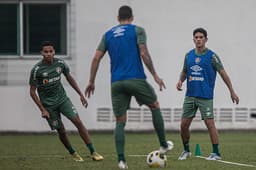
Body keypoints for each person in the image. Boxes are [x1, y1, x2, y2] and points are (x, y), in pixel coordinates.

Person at [85, 5, 172, 169]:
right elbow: (144, 53)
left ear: (118, 18)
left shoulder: (108, 35)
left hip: (116, 82)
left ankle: (121, 161)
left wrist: (91, 81)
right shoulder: (137, 30)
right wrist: (155, 75)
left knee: (120, 121)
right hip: (136, 79)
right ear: (132, 18)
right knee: (154, 105)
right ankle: (163, 145)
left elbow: (96, 58)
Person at [29, 41, 103, 162]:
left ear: (54, 52)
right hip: (49, 106)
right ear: (41, 53)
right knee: (61, 130)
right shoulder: (37, 70)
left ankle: (93, 151)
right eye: (46, 52)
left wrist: (81, 95)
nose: (48, 54)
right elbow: (32, 92)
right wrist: (42, 109)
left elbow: (70, 78)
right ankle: (73, 153)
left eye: (50, 51)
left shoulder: (60, 63)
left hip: (63, 100)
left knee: (78, 121)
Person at [176, 28, 239, 161]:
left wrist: (232, 91)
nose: (198, 39)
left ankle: (216, 153)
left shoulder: (212, 56)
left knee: (210, 124)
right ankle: (186, 150)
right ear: (193, 39)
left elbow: (224, 74)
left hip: (205, 96)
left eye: (201, 37)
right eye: (196, 37)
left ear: (206, 39)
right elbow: (184, 71)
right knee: (183, 125)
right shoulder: (189, 55)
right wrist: (180, 81)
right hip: (190, 96)